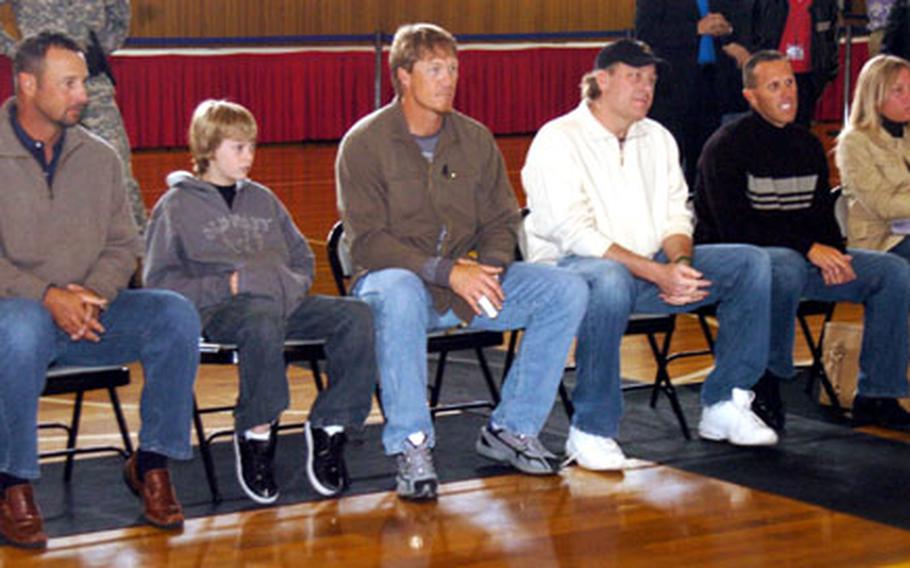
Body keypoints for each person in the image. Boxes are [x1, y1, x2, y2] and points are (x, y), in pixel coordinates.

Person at [336, 23, 588, 501]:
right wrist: (446, 271)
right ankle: (412, 443)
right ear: (404, 76)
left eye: (453, 68)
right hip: (391, 291)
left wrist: (488, 268)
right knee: (399, 289)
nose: (448, 79)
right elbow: (368, 243)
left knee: (566, 289)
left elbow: (502, 218)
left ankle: (512, 428)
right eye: (435, 69)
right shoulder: (364, 144)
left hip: (467, 285)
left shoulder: (474, 138)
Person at [521, 38, 779, 471]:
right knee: (609, 279)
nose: (645, 88)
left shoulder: (657, 137)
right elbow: (572, 232)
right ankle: (591, 428)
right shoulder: (558, 139)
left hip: (647, 267)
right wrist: (655, 273)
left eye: (651, 80)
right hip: (571, 276)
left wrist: (679, 265)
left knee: (750, 263)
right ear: (601, 81)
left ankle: (725, 404)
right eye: (634, 77)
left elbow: (676, 215)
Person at [0, 32, 199, 549]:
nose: (83, 94)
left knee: (174, 316)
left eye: (83, 81)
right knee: (21, 328)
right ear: (26, 83)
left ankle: (151, 463)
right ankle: (11, 482)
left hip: (88, 314)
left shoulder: (101, 156)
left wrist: (90, 294)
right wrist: (47, 296)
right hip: (13, 316)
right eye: (68, 83)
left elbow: (122, 243)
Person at [144, 99, 377, 504]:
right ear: (208, 147)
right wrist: (228, 284)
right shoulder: (175, 207)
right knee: (261, 318)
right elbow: (160, 285)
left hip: (278, 305)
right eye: (238, 147)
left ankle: (331, 426)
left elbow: (302, 257)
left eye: (252, 146)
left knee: (356, 315)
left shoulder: (264, 199)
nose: (249, 156)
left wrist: (291, 284)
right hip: (218, 312)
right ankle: (256, 432)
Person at [694, 50, 910, 431]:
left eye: (790, 82)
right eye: (773, 85)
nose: (786, 93)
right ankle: (767, 381)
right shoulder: (726, 146)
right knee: (786, 264)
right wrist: (809, 248)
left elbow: (820, 220)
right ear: (751, 96)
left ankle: (878, 393)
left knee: (891, 271)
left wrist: (835, 254)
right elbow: (734, 227)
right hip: (744, 269)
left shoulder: (806, 144)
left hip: (803, 262)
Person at [0, 0, 147, 231]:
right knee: (33, 170)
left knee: (118, 167)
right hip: (42, 86)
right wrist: (18, 52)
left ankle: (138, 246)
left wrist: (94, 50)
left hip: (89, 83)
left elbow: (119, 13)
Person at [635, 0, 756, 186]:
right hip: (673, 86)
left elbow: (741, 20)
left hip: (713, 82)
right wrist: (695, 29)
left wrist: (727, 29)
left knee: (709, 157)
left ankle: (702, 206)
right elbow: (646, 32)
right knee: (670, 156)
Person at [835, 54, 910, 263]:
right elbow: (883, 204)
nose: (909, 96)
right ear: (875, 98)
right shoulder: (854, 143)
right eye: (898, 91)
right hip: (883, 241)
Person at [751, 0, 839, 127]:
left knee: (801, 129)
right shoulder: (767, 3)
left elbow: (830, 39)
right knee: (769, 128)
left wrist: (829, 71)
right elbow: (755, 33)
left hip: (808, 77)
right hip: (772, 74)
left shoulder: (824, 3)